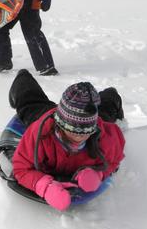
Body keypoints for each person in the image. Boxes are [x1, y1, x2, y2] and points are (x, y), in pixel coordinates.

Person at [8, 69, 125, 211]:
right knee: (29, 103)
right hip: (48, 116)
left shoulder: (105, 136)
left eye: (85, 132)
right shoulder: (40, 134)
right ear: (61, 124)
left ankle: (111, 94)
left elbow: (114, 161)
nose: (79, 137)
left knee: (106, 109)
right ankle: (23, 76)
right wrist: (43, 186)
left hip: (89, 116)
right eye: (73, 132)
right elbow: (21, 168)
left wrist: (99, 174)